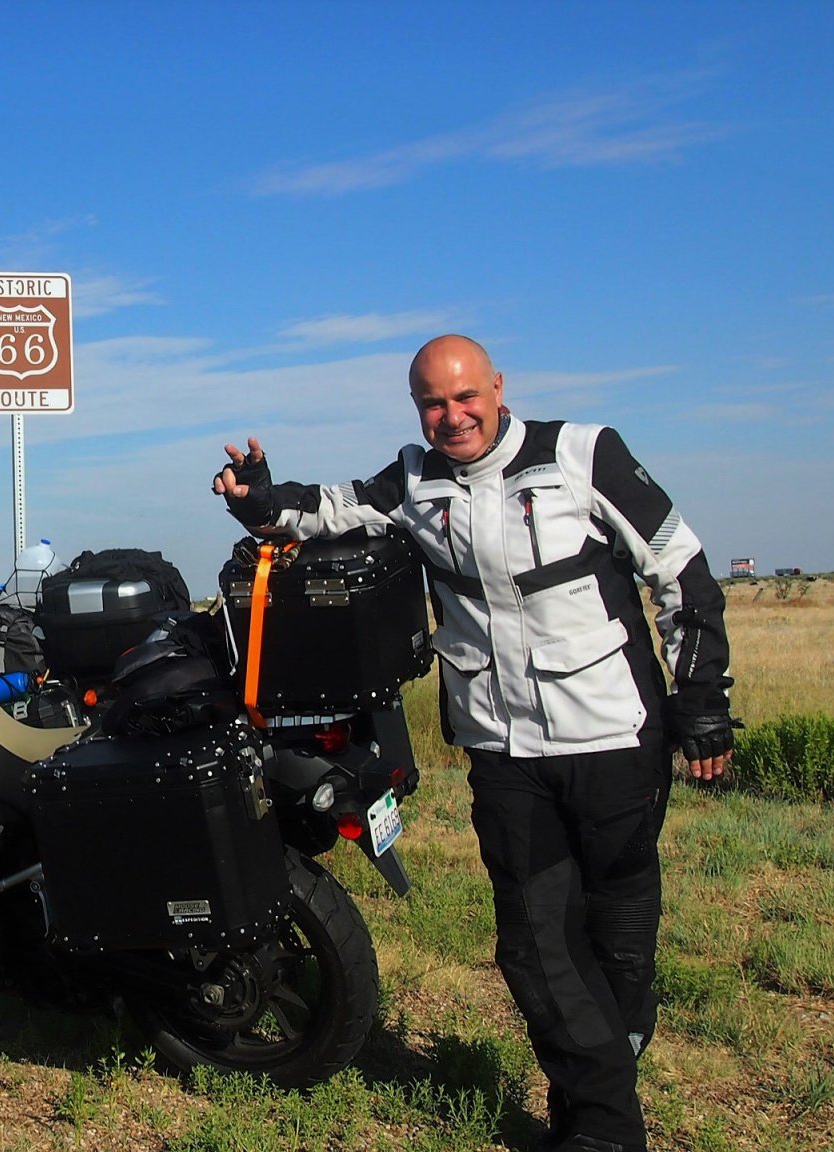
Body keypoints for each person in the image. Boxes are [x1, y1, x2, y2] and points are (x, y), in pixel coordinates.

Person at [213, 335, 735, 1152]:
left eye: (464, 397)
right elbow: (325, 508)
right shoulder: (412, 479)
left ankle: (603, 1074)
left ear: (497, 387)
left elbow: (682, 569)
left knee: (618, 939)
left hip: (615, 738)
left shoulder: (583, 453)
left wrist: (702, 701)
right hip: (503, 751)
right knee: (535, 948)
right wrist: (258, 499)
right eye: (432, 403)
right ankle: (605, 1129)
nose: (451, 416)